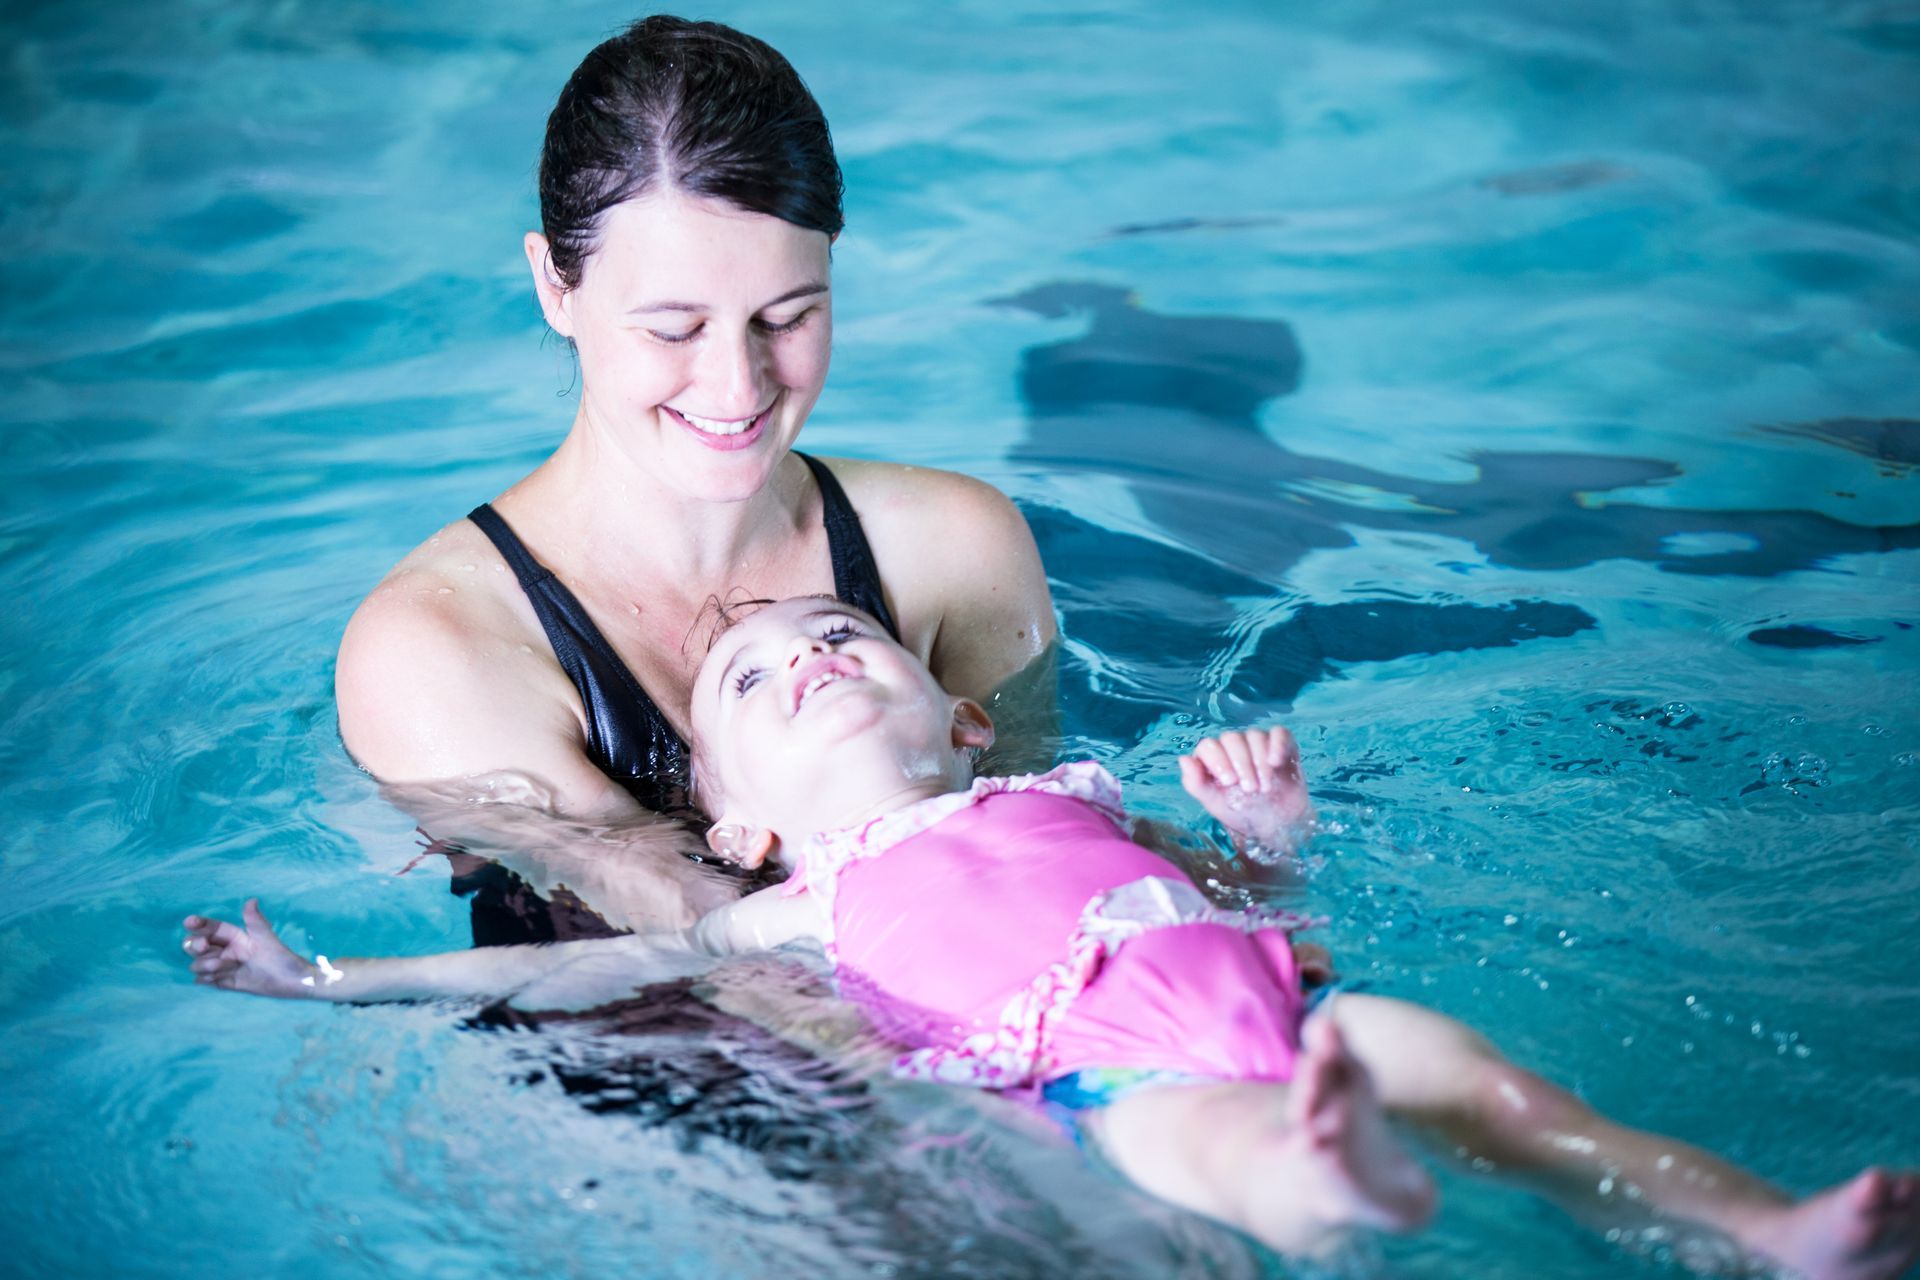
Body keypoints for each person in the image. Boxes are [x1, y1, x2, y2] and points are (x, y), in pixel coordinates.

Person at [188, 599, 1920, 1276]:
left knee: (1503, 1088)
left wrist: (1268, 838)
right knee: (1257, 1138)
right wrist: (333, 979)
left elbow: (1262, 918)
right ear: (739, 826)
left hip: (1280, 1015)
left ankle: (1765, 1230)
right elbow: (565, 970)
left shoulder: (1081, 798)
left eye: (840, 631)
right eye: (751, 677)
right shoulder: (791, 908)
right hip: (1111, 1093)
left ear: (958, 725)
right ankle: (1339, 1193)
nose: (807, 651)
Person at [333, 16, 1055, 939]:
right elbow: (701, 952)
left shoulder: (957, 550)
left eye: (786, 315)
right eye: (674, 330)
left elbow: (1052, 853)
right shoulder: (435, 651)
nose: (737, 386)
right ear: (556, 287)